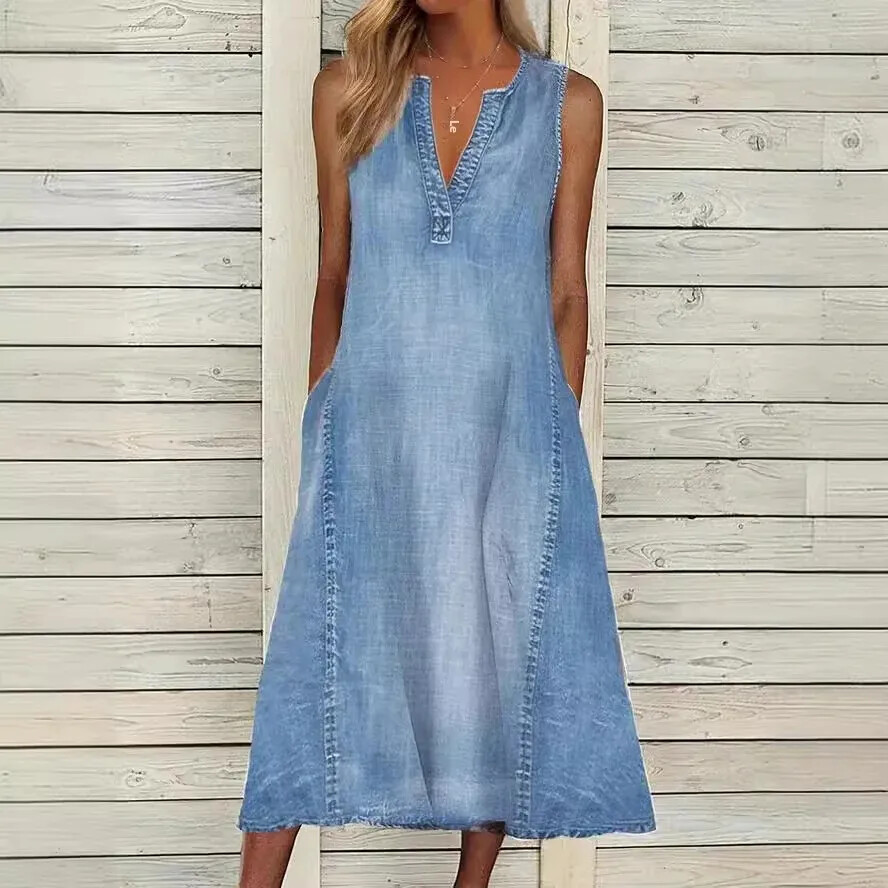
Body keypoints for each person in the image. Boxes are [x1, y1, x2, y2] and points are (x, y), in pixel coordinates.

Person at [237, 1, 656, 885]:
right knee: (318, 656)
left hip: (512, 426)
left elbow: (567, 290)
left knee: (498, 648)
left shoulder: (567, 104)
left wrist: (550, 434)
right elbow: (334, 272)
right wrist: (324, 414)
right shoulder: (349, 89)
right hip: (371, 427)